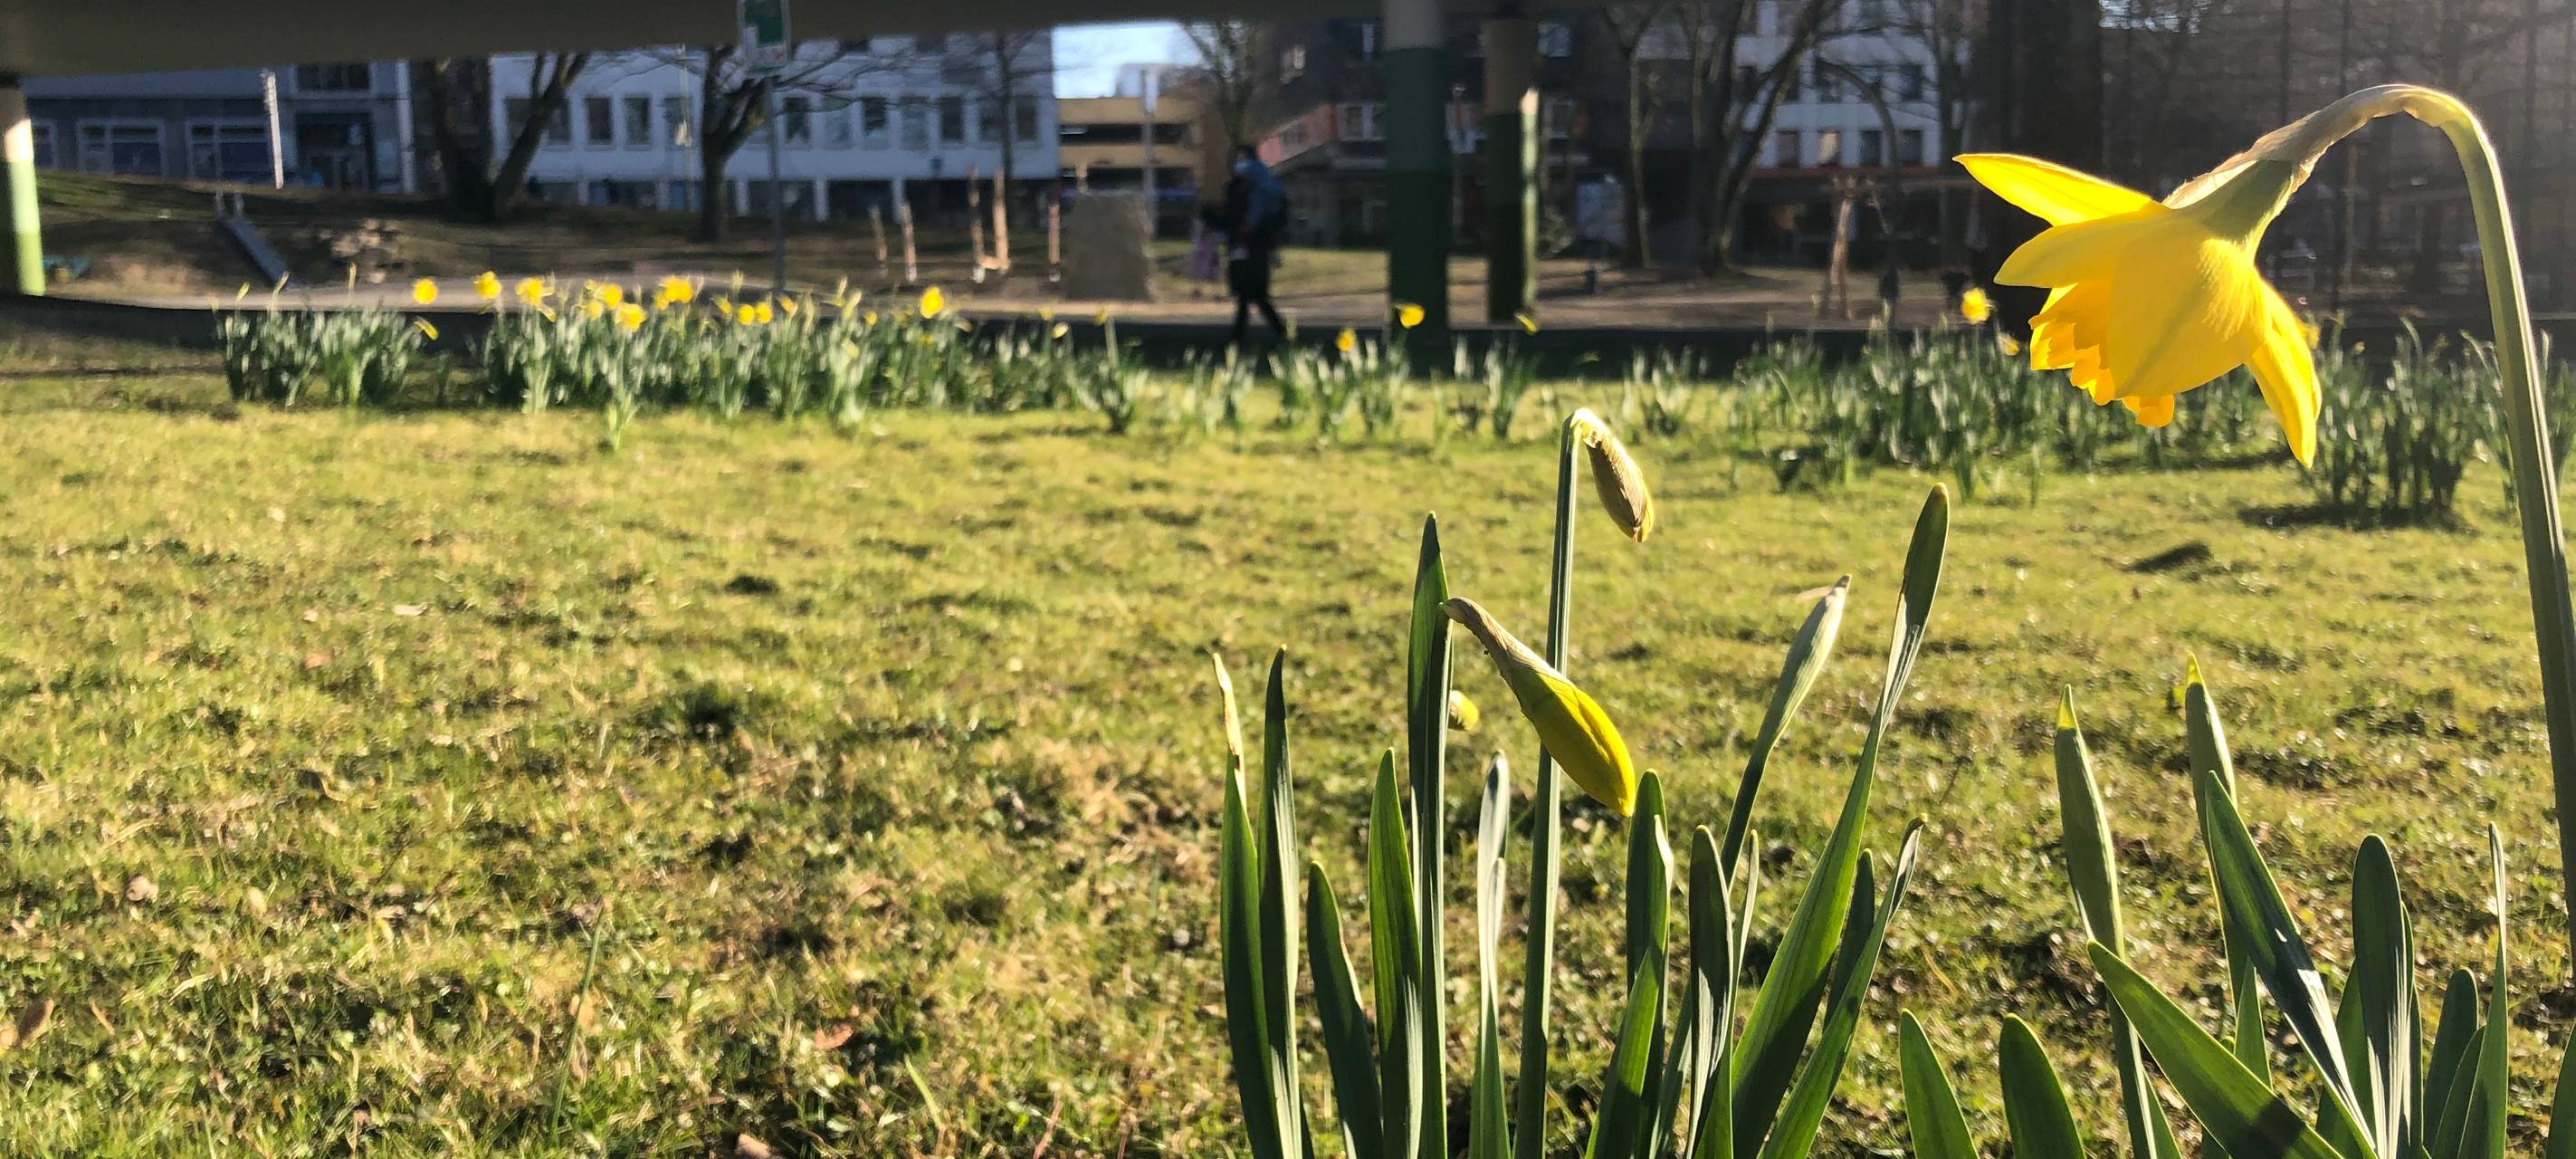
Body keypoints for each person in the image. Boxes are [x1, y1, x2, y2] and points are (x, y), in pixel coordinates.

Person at [1219, 148, 1288, 348]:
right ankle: (1246, 335)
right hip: (1257, 248)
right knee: (1253, 296)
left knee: (1251, 295)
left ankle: (1243, 337)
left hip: (1251, 247)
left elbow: (1251, 220)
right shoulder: (1268, 185)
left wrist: (1242, 234)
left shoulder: (1256, 189)